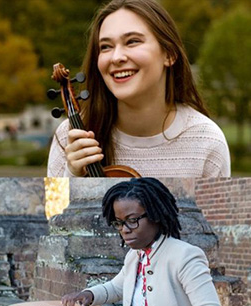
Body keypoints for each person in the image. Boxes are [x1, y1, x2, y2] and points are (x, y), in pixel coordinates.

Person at [47, 0, 230, 177]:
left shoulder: (207, 141)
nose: (116, 57)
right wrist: (71, 175)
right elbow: (54, 209)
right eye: (106, 47)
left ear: (169, 54)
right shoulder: (71, 137)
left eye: (132, 41)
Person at [61, 178, 223, 306]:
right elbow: (117, 287)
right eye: (119, 223)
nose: (124, 229)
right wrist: (89, 294)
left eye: (132, 220)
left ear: (155, 216)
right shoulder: (135, 255)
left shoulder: (185, 255)